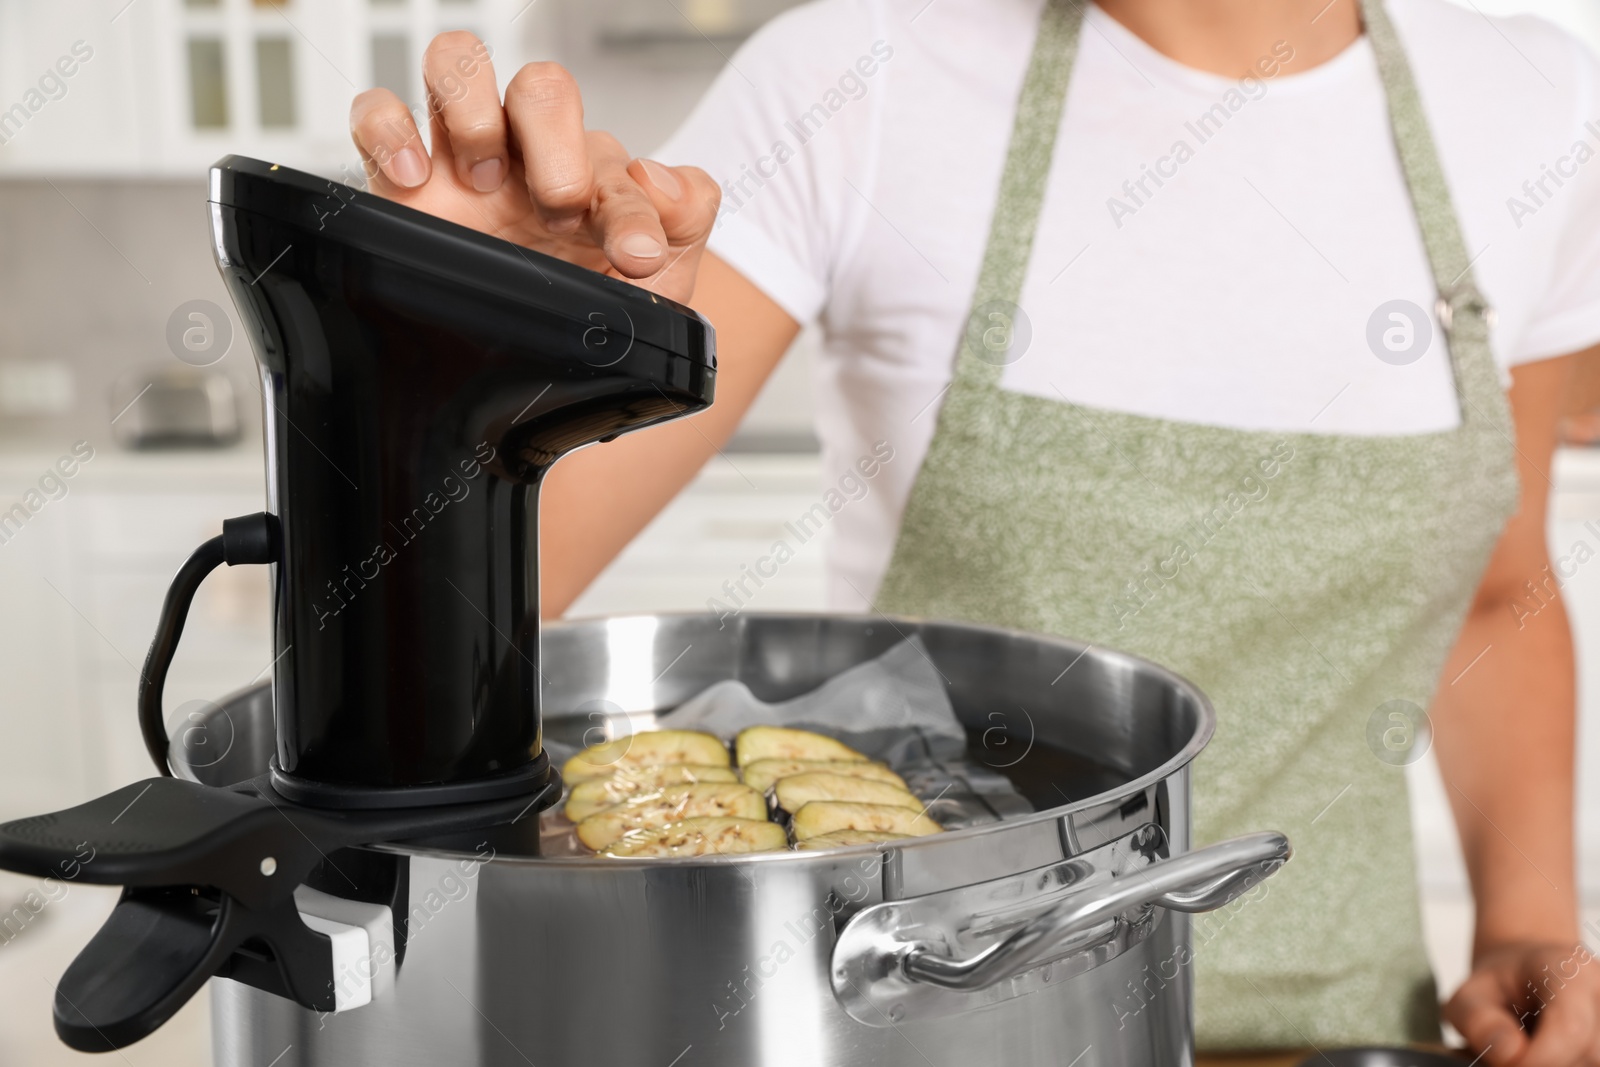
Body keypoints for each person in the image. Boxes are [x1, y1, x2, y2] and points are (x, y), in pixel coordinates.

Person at [348, 0, 1600, 1059]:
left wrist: (1527, 922)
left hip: (1329, 1023)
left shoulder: (1537, 102)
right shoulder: (859, 77)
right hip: (911, 1024)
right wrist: (455, 374)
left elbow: (1496, 588)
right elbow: (465, 611)